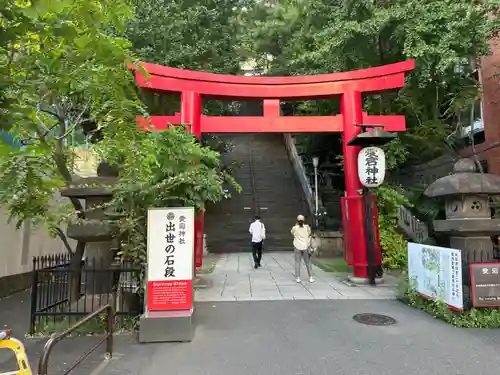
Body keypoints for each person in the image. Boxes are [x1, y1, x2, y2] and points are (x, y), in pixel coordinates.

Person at [291, 214, 314, 283]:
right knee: (308, 262)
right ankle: (311, 277)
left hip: (297, 246)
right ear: (304, 220)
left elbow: (292, 233)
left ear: (297, 221)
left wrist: (296, 225)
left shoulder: (294, 228)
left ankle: (298, 277)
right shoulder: (307, 227)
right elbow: (309, 234)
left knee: (297, 262)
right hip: (305, 246)